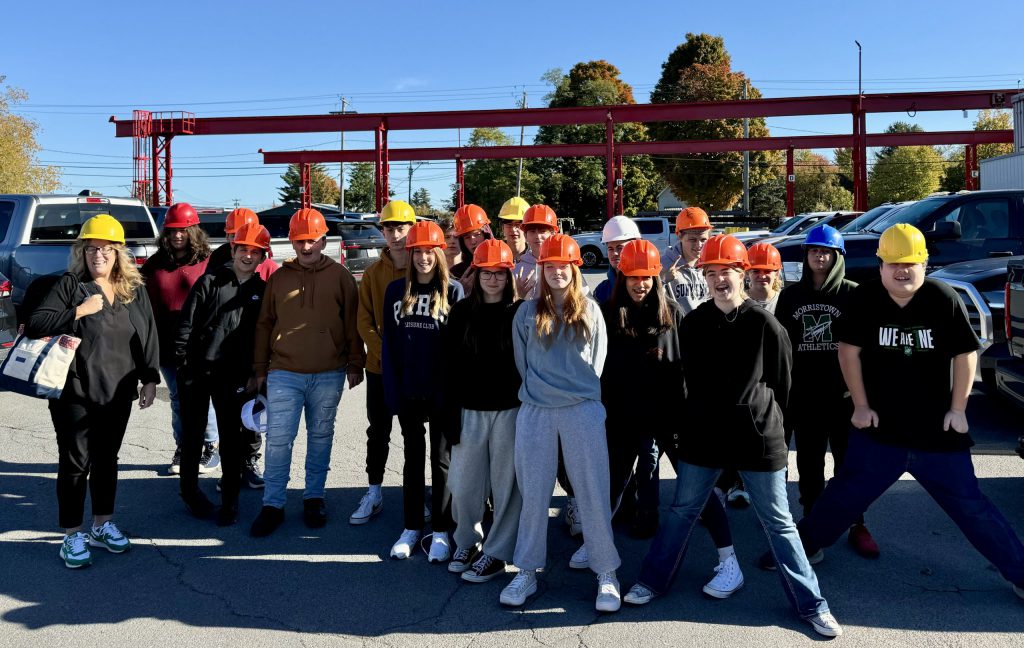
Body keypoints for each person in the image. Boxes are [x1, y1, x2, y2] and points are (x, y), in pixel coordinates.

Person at [623, 234, 842, 639]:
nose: (719, 279)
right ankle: (651, 580)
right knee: (682, 510)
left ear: (742, 274)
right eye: (711, 272)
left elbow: (782, 384)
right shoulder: (694, 323)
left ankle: (812, 604)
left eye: (727, 271)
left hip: (757, 436)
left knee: (779, 522)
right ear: (703, 276)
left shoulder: (765, 324)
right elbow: (685, 377)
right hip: (703, 435)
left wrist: (759, 418)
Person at [795, 224, 1024, 602]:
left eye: (911, 263)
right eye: (894, 263)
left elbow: (965, 353)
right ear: (881, 265)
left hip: (937, 433)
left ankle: (1019, 573)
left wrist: (959, 408)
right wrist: (862, 405)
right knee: (841, 498)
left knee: (973, 507)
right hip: (879, 432)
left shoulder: (941, 296)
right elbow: (848, 351)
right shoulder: (865, 299)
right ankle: (802, 549)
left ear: (925, 263)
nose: (903, 271)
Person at [27, 214, 159, 569]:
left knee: (107, 460)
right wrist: (78, 311)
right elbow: (37, 323)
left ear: (119, 253)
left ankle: (102, 525)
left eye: (106, 249)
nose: (98, 255)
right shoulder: (71, 285)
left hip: (118, 390)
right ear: (81, 252)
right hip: (76, 392)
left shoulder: (134, 290)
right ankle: (72, 534)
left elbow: (147, 335)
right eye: (91, 249)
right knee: (75, 463)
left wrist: (149, 378)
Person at [500, 234, 622, 613]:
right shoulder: (525, 311)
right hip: (536, 410)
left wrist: (579, 395)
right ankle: (526, 571)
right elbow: (522, 363)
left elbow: (598, 363)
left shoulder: (590, 309)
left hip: (581, 410)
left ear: (574, 268)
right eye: (549, 266)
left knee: (592, 492)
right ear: (541, 268)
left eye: (562, 266)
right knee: (533, 494)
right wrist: (542, 392)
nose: (556, 272)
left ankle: (606, 572)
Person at [249, 208, 365, 537]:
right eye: (300, 241)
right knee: (279, 441)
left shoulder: (341, 277)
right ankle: (273, 504)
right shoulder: (279, 278)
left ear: (324, 240)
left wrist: (355, 362)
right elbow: (264, 324)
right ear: (293, 242)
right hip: (284, 371)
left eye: (313, 240)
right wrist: (260, 368)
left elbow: (352, 322)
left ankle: (314, 498)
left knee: (320, 438)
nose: (307, 247)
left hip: (329, 372)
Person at [770, 224, 878, 560]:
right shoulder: (790, 296)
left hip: (846, 399)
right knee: (810, 464)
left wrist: (866, 397)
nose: (819, 256)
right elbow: (781, 349)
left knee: (849, 465)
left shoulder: (853, 294)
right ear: (805, 256)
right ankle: (812, 523)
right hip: (805, 398)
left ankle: (856, 523)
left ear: (838, 256)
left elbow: (867, 349)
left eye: (826, 251)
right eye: (814, 251)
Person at [174, 222, 270, 526]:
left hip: (235, 377)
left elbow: (263, 336)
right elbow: (185, 327)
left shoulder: (261, 292)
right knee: (192, 436)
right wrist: (183, 365)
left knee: (232, 439)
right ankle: (189, 493)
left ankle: (230, 501)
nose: (248, 256)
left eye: (255, 252)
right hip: (197, 372)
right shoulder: (210, 282)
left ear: (261, 257)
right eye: (243, 249)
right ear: (233, 249)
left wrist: (257, 372)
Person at [382, 220, 465, 561]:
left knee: (442, 461)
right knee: (412, 460)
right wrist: (393, 391)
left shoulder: (455, 291)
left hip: (442, 392)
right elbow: (390, 346)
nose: (423, 258)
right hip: (409, 389)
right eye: (418, 251)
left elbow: (460, 351)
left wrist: (455, 395)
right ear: (410, 253)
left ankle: (442, 530)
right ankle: (412, 526)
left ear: (440, 253)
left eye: (430, 251)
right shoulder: (394, 291)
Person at [444, 239, 523, 583]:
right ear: (475, 275)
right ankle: (467, 542)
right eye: (486, 273)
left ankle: (497, 552)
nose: (493, 280)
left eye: (500, 274)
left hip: (510, 411)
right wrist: (449, 413)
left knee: (506, 487)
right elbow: (447, 366)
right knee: (464, 485)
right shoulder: (461, 312)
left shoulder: (520, 313)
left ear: (509, 276)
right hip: (469, 411)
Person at [141, 202, 219, 476]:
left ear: (194, 230)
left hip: (200, 344)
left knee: (202, 397)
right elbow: (141, 302)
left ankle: (210, 446)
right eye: (172, 230)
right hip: (166, 343)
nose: (177, 235)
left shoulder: (209, 262)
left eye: (183, 230)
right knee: (177, 397)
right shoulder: (155, 264)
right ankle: (185, 446)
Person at [351, 200, 415, 526]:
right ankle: (374, 491)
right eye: (389, 228)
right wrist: (381, 352)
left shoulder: (423, 270)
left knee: (412, 433)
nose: (395, 234)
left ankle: (413, 496)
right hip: (379, 367)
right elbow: (363, 318)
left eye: (401, 227)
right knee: (378, 430)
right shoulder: (373, 273)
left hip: (413, 370)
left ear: (412, 228)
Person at [203, 207, 277, 490]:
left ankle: (250, 461)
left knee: (255, 413)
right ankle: (230, 469)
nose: (243, 245)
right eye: (235, 236)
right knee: (229, 420)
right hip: (225, 356)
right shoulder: (217, 263)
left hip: (258, 353)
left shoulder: (269, 268)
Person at [660, 207, 713, 314]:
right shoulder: (664, 265)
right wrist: (664, 281)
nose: (699, 245)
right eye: (692, 239)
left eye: (703, 240)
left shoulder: (710, 265)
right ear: (679, 236)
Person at [204, 207, 279, 281]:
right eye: (234, 236)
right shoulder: (215, 261)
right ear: (227, 236)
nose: (239, 241)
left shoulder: (269, 268)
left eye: (245, 236)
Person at [512, 204, 559, 300]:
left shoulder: (564, 266)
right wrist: (517, 295)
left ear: (553, 234)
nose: (537, 236)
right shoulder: (517, 270)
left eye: (542, 231)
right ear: (525, 236)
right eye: (532, 231)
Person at [592, 216, 641, 305]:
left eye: (620, 248)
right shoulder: (602, 290)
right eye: (610, 248)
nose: (614, 253)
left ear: (634, 248)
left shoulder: (645, 286)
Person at [449, 204, 493, 285]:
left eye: (477, 234)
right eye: (467, 237)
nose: (473, 241)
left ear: (486, 235)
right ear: (462, 242)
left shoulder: (501, 266)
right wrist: (460, 292)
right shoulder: (455, 273)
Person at [746, 242, 783, 314]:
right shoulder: (738, 302)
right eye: (756, 271)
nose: (762, 276)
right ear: (747, 273)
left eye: (767, 271)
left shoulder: (785, 302)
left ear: (777, 273)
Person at [497, 196, 529, 263]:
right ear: (503, 228)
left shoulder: (535, 258)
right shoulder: (494, 256)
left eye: (518, 224)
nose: (513, 229)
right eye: (509, 224)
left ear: (526, 228)